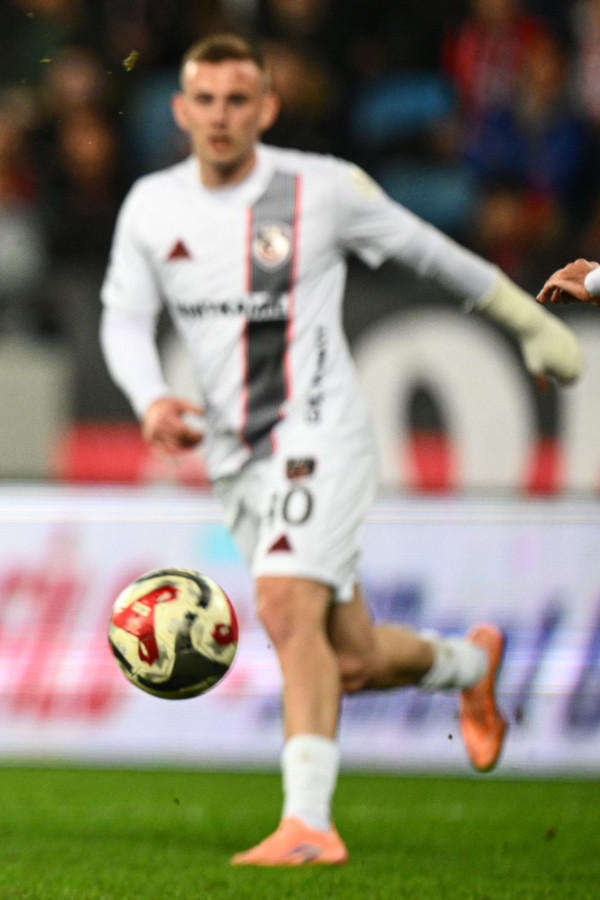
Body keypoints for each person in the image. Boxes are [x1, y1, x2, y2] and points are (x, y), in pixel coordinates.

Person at [99, 34, 583, 866]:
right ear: (180, 111)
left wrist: (530, 322)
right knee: (348, 659)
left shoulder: (318, 188)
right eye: (205, 100)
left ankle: (308, 826)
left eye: (237, 100)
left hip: (319, 429)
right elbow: (122, 319)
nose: (220, 116)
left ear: (267, 109)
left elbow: (431, 252)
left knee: (286, 609)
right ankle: (469, 665)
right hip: (234, 451)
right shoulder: (151, 204)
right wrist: (149, 399)